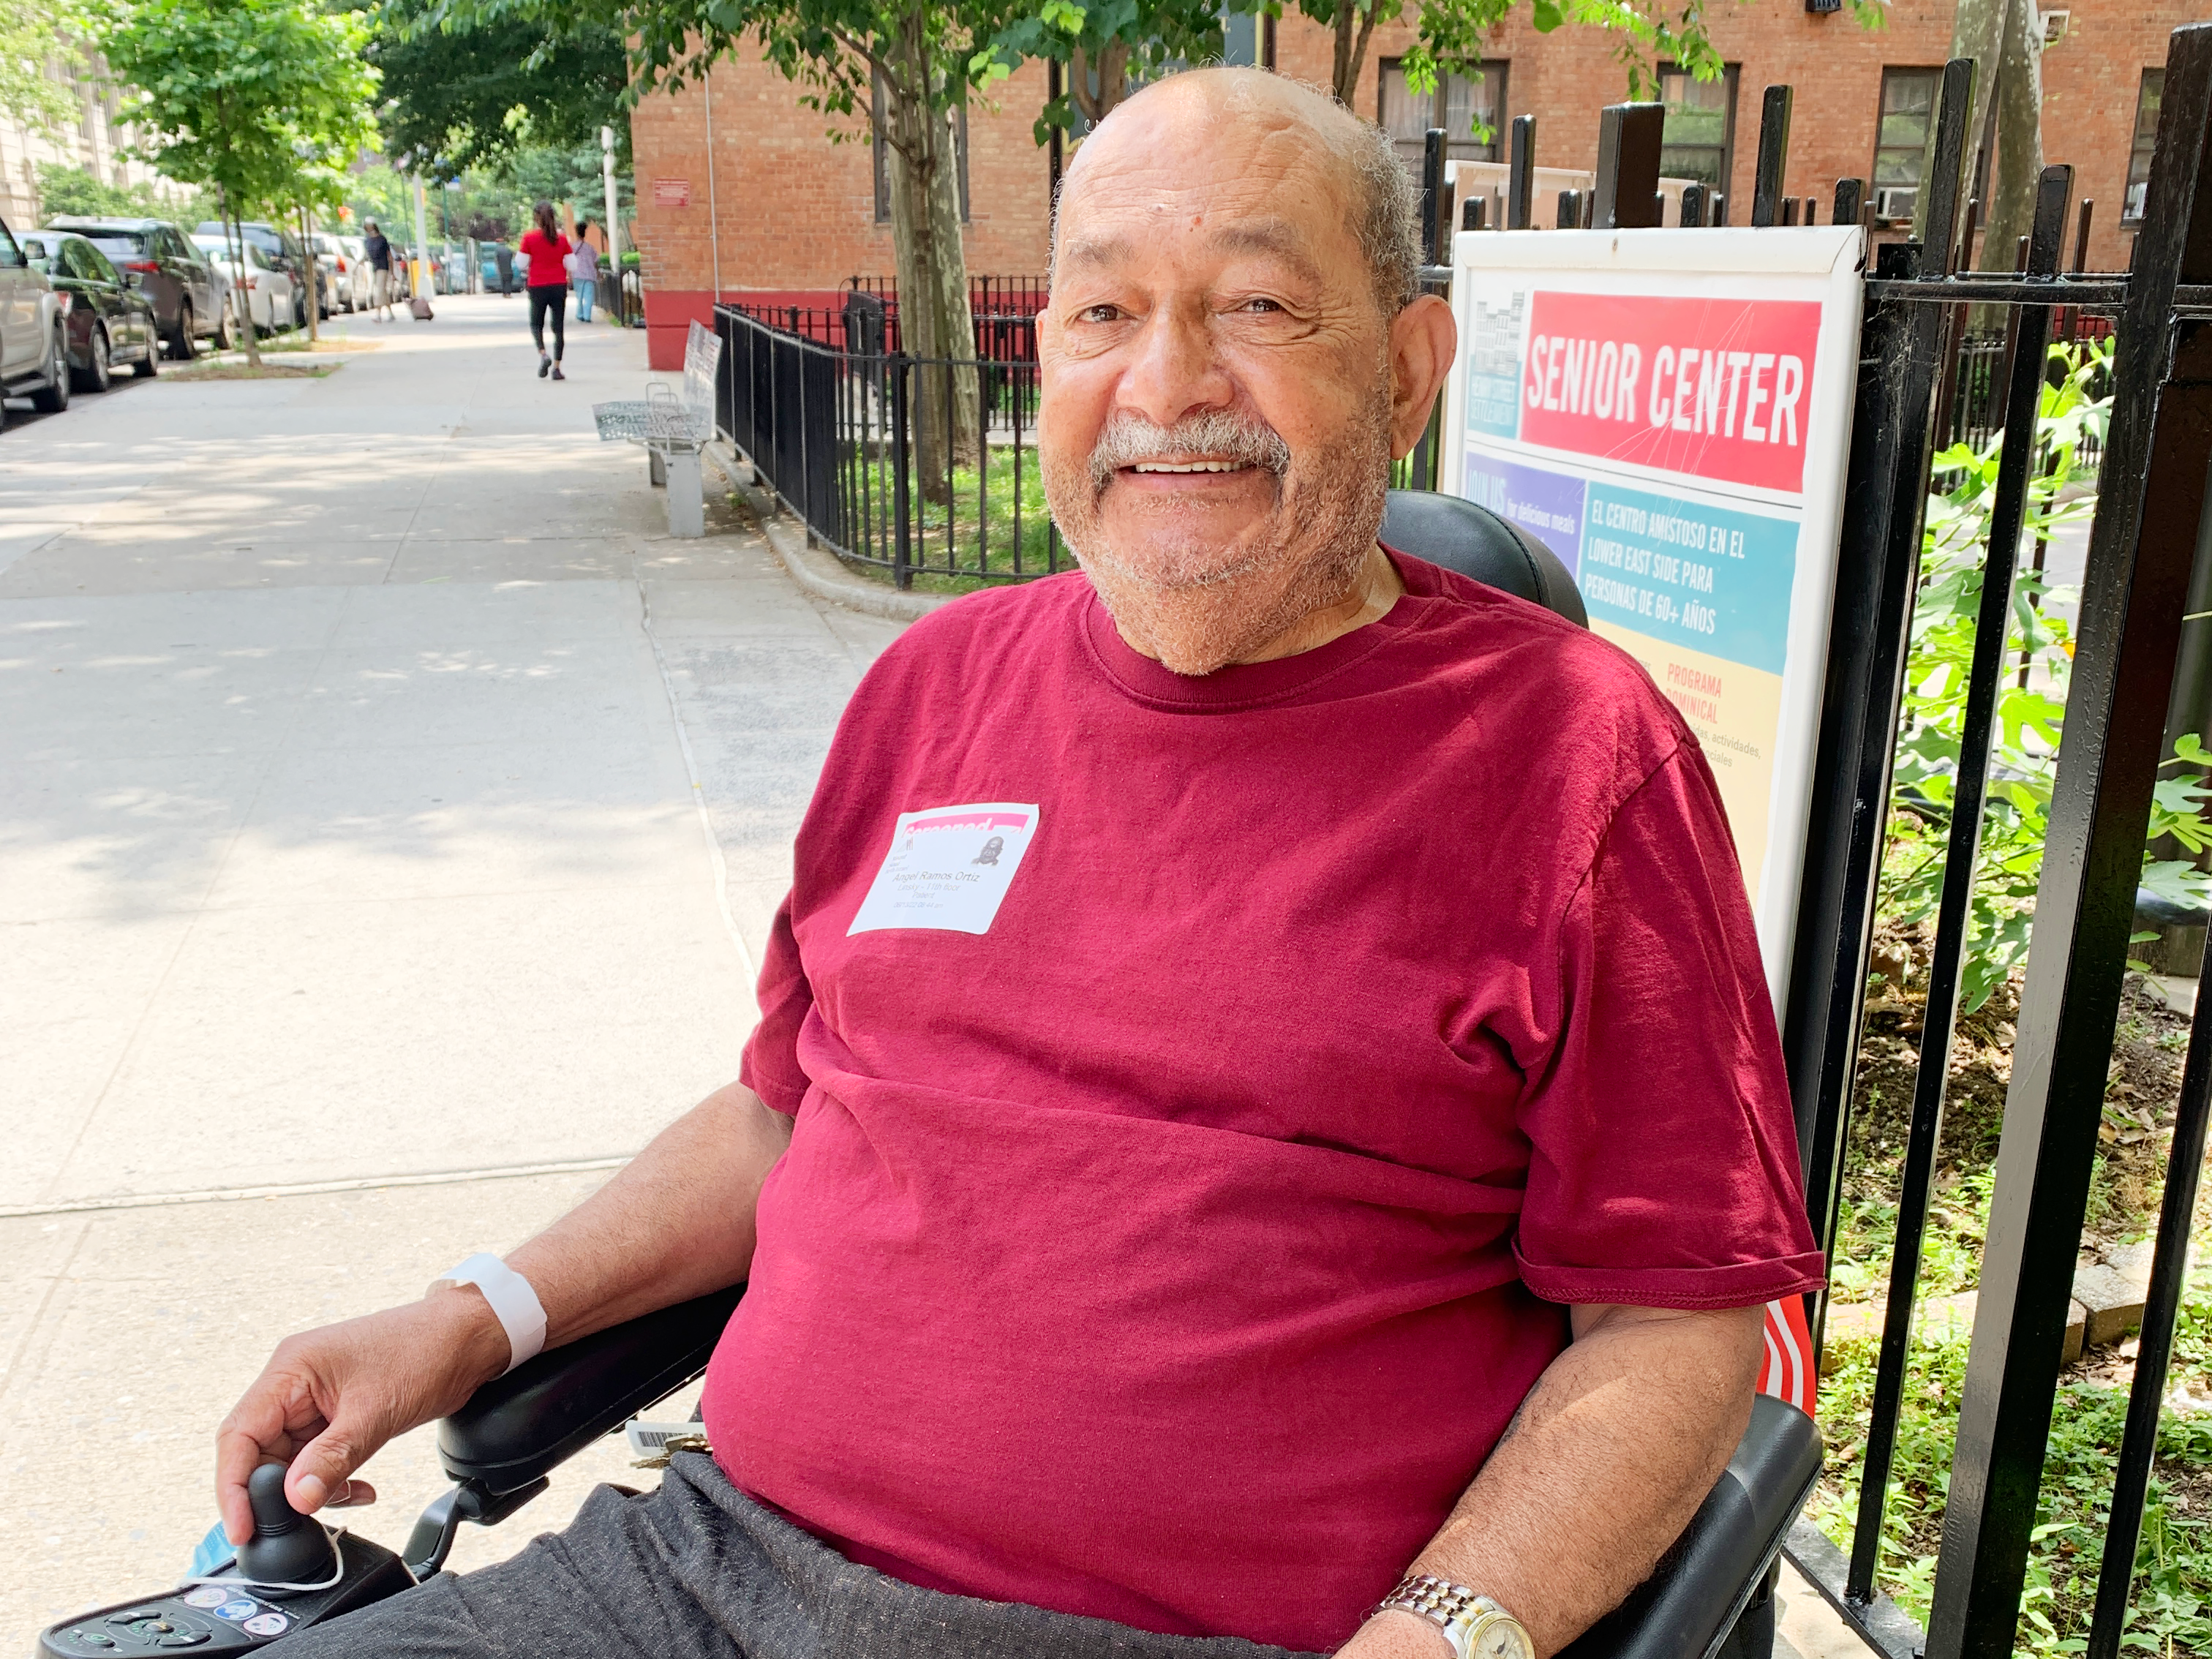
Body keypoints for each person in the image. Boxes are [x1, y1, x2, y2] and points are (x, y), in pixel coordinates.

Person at [217, 69, 1821, 1659]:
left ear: (1406, 370)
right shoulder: (935, 686)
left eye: (1257, 304)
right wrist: (466, 1314)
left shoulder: (1570, 759)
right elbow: (785, 1107)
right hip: (704, 1571)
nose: (1167, 382)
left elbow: (1677, 1319)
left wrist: (1446, 1636)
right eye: (1103, 312)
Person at [516, 201, 571, 380]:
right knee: (558, 327)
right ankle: (556, 368)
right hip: (558, 285)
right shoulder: (562, 239)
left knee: (536, 323)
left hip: (537, 285)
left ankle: (543, 354)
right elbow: (573, 264)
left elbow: (521, 264)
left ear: (536, 218)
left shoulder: (529, 238)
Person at [361, 219, 394, 323]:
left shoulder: (382, 239)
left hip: (383, 267)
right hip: (374, 268)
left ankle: (378, 314)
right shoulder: (367, 240)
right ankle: (391, 313)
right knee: (382, 291)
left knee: (379, 290)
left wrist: (392, 271)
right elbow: (366, 255)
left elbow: (389, 256)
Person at [571, 219, 600, 324]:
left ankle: (580, 314)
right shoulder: (590, 248)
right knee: (589, 296)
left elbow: (569, 261)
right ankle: (587, 316)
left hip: (577, 274)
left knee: (579, 296)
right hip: (589, 275)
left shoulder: (572, 247)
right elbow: (596, 261)